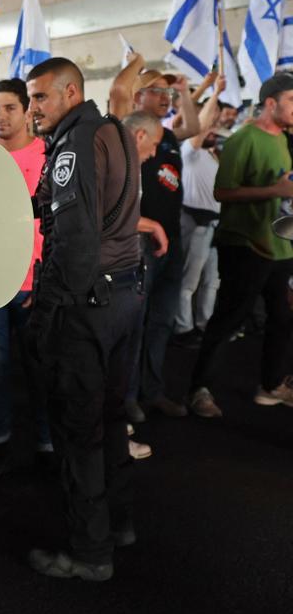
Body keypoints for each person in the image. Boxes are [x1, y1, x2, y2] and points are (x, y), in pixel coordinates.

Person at [24, 57, 142, 581]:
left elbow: (73, 240)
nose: (32, 110)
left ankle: (88, 553)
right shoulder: (112, 128)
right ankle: (118, 525)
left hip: (86, 303)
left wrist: (46, 313)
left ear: (71, 92)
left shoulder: (75, 143)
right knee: (112, 418)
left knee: (80, 428)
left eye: (40, 97)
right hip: (124, 295)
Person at [185, 72, 293, 416]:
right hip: (244, 245)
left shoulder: (284, 139)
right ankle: (199, 389)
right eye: (292, 100)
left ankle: (271, 385)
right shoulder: (243, 139)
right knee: (228, 319)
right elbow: (223, 192)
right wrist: (273, 191)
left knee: (281, 319)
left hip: (280, 246)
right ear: (271, 103)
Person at [112, 63, 207, 422]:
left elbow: (194, 127)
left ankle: (152, 391)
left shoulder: (165, 136)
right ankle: (129, 397)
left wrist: (184, 92)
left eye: (169, 93)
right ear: (139, 95)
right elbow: (118, 96)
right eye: (159, 91)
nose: (166, 98)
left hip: (171, 237)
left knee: (162, 321)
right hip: (139, 241)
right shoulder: (124, 132)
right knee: (135, 325)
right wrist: (134, 66)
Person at [0, 78, 53, 485]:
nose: (0, 117)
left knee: (41, 368)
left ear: (25, 111)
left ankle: (47, 444)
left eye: (8, 108)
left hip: (33, 282)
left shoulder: (48, 155)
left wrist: (44, 276)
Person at [171, 89, 228, 348]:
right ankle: (183, 328)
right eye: (210, 127)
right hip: (195, 224)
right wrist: (215, 93)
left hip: (213, 226)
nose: (212, 130)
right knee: (188, 283)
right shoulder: (189, 152)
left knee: (211, 282)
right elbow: (201, 128)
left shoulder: (211, 156)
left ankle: (206, 324)